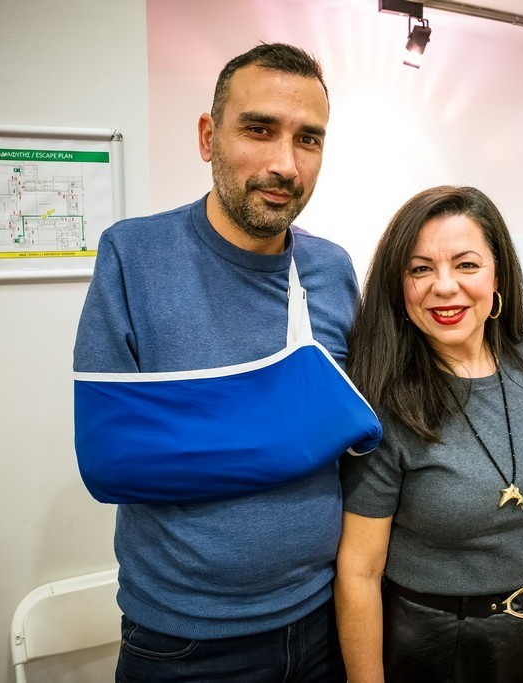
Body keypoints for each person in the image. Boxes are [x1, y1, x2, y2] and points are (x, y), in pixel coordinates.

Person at [74, 43, 369, 682]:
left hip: (322, 621)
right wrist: (299, 435)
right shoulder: (134, 257)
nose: (284, 163)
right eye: (259, 130)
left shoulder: (331, 270)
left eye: (308, 139)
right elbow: (109, 461)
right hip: (185, 642)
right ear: (209, 137)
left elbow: (362, 447)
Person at [336, 185, 523, 682]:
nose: (444, 286)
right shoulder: (385, 401)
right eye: (421, 269)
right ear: (400, 286)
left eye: (466, 265)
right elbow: (360, 571)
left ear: (497, 274)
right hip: (441, 645)